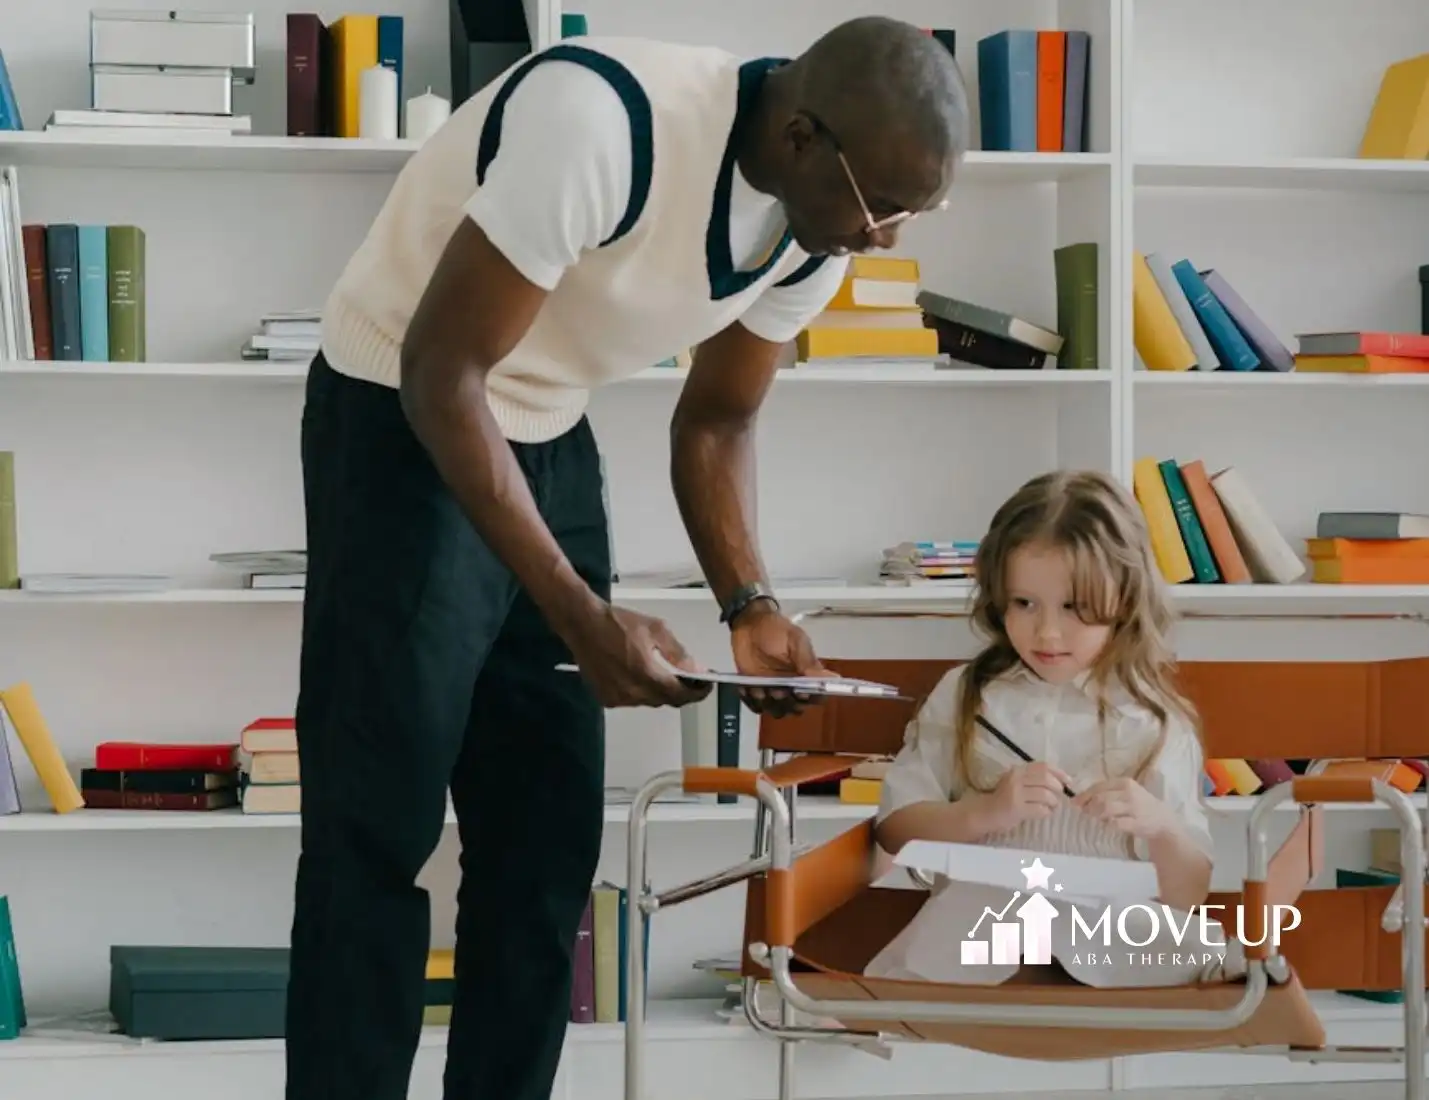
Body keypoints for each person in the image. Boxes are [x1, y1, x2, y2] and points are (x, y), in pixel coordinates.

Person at [284, 15, 970, 1100]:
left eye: (912, 212)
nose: (885, 237)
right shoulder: (600, 125)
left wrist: (749, 601)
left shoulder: (817, 227)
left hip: (547, 428)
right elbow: (440, 373)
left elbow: (716, 420)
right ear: (798, 136)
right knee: (378, 830)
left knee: (545, 848)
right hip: (399, 415)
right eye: (882, 205)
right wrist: (575, 611)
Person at [865, 469, 1241, 990]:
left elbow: (1188, 893)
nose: (1046, 631)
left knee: (1158, 930)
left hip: (1108, 931)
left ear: (1125, 602)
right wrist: (984, 812)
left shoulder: (1155, 720)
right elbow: (896, 829)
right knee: (986, 904)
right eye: (1024, 603)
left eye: (1075, 608)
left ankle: (1227, 969)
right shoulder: (968, 695)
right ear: (998, 596)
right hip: (985, 931)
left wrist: (1160, 827)